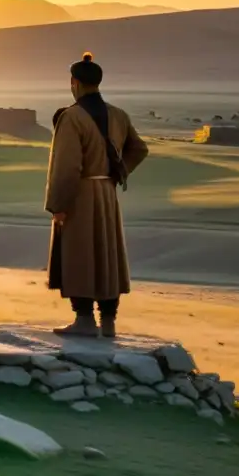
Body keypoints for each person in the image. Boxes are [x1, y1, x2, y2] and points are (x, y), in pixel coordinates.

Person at [45, 52, 148, 338]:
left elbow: (67, 166)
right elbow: (139, 149)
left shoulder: (71, 117)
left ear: (74, 83)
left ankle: (85, 321)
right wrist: (117, 173)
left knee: (80, 255)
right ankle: (110, 322)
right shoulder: (118, 114)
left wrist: (58, 205)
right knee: (107, 255)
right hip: (107, 193)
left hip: (80, 195)